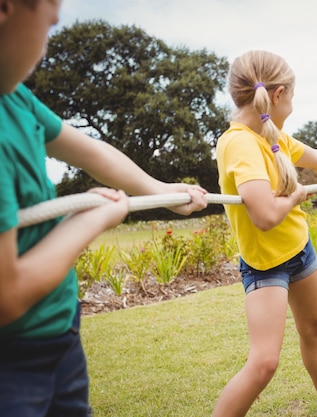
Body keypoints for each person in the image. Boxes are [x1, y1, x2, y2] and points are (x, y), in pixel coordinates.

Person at [0, 1, 208, 416]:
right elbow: (6, 295)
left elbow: (93, 152)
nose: (45, 45)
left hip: (61, 335)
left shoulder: (16, 99)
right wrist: (93, 218)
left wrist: (162, 192)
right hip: (12, 364)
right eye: (50, 23)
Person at [214, 50, 317, 417]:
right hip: (265, 265)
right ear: (279, 93)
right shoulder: (239, 142)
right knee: (264, 363)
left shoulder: (271, 135)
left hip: (299, 251)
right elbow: (264, 215)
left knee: (314, 328)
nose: (292, 103)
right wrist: (296, 197)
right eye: (292, 95)